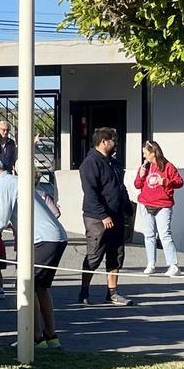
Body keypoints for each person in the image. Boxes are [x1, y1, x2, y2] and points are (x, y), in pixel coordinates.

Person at [0, 150, 69, 346]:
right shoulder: (12, 181)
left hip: (44, 239)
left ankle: (34, 338)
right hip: (55, 237)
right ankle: (50, 336)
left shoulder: (5, 184)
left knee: (26, 285)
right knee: (40, 288)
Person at [79, 126, 131, 306]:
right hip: (97, 217)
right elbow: (90, 192)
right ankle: (84, 291)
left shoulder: (115, 163)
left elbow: (120, 187)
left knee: (116, 254)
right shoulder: (90, 163)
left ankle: (113, 292)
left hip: (116, 216)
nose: (116, 144)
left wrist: (126, 205)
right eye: (114, 141)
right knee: (94, 254)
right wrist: (103, 215)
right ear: (103, 142)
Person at [134, 140, 184, 276]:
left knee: (164, 234)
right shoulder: (145, 166)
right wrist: (141, 174)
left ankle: (173, 265)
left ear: (153, 152)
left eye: (146, 154)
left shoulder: (168, 166)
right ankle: (151, 264)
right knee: (149, 235)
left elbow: (180, 182)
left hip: (163, 205)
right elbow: (137, 185)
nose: (144, 157)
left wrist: (166, 181)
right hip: (145, 203)